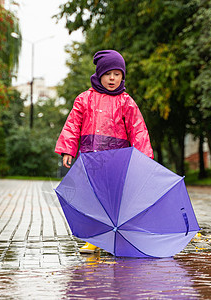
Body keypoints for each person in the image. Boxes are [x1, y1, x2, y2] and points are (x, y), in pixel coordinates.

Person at [55, 49, 153, 254]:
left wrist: (143, 158)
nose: (112, 78)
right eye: (108, 73)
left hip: (118, 160)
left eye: (117, 74)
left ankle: (116, 238)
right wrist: (68, 150)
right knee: (93, 200)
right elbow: (73, 124)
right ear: (99, 74)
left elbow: (138, 129)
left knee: (115, 200)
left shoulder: (126, 102)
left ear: (123, 77)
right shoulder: (85, 99)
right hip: (90, 158)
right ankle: (95, 239)